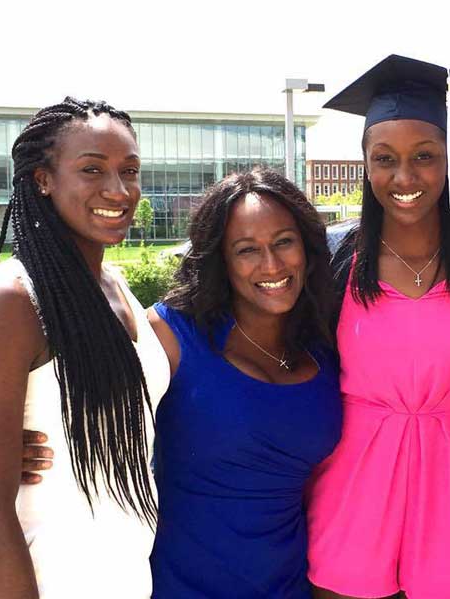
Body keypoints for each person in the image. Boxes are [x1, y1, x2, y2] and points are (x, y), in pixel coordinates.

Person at [306, 55, 450, 599]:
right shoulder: (333, 261)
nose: (404, 177)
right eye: (384, 158)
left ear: (448, 160)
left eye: (424, 156)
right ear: (364, 163)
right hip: (352, 496)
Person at [0, 98, 170, 599]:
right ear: (42, 180)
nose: (118, 190)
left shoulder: (115, 285)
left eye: (130, 170)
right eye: (92, 169)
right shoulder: (12, 299)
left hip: (122, 577)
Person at [146, 169, 342, 597]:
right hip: (183, 587)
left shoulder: (324, 345)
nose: (271, 264)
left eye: (284, 242)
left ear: (307, 248)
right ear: (221, 259)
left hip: (290, 586)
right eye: (247, 250)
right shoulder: (172, 338)